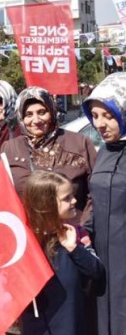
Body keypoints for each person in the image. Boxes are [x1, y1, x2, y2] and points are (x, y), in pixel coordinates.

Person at [19, 170, 105, 335]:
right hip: (38, 325)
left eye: (72, 195)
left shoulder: (77, 234)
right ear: (46, 204)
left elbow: (97, 272)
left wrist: (74, 249)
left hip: (72, 324)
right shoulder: (26, 241)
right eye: (66, 198)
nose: (74, 200)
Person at [1, 87, 96, 224]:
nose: (36, 120)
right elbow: (1, 194)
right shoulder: (10, 149)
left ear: (52, 111)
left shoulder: (79, 143)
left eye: (42, 112)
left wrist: (84, 228)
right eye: (28, 114)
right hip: (28, 237)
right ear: (21, 117)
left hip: (72, 234)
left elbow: (95, 193)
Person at [81, 72, 126, 335]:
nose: (100, 124)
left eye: (108, 115)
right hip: (103, 265)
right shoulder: (103, 154)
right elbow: (96, 204)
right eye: (95, 116)